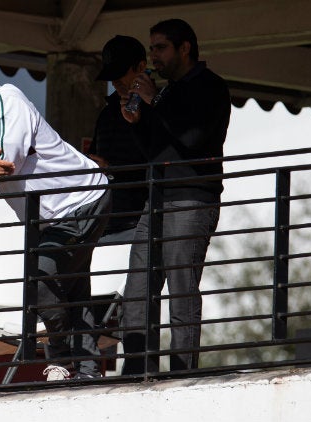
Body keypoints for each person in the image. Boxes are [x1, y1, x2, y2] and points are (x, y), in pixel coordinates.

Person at [0, 45, 111, 380]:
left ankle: (61, 359)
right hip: (48, 215)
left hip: (82, 198)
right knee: (72, 286)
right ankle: (88, 370)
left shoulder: (8, 100)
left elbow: (8, 161)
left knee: (42, 278)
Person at [120, 19, 231, 372]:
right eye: (151, 48)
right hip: (157, 197)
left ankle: (183, 373)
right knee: (138, 287)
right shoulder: (166, 93)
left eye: (161, 47)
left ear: (184, 48)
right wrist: (136, 121)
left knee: (181, 289)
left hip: (192, 197)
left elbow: (194, 137)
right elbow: (154, 147)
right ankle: (138, 369)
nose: (154, 56)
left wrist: (156, 100)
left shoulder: (210, 87)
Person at [90, 35, 149, 243]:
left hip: (142, 222)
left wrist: (111, 170)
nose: (115, 81)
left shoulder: (160, 109)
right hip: (106, 221)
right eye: (111, 75)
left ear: (141, 67)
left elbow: (162, 158)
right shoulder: (107, 114)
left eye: (120, 73)